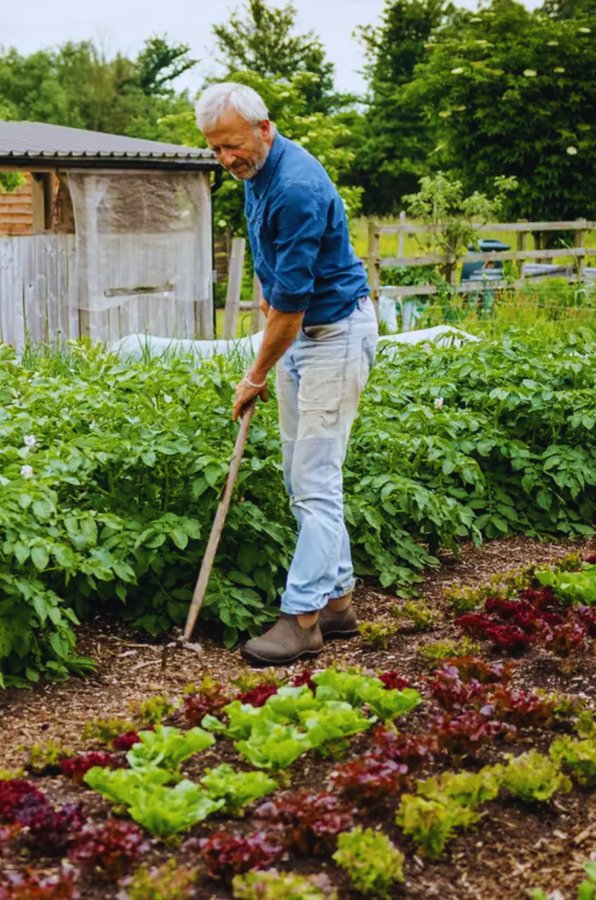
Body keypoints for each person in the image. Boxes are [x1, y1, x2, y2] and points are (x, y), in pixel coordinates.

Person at [196, 82, 379, 666]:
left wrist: (252, 376)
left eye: (232, 146)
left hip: (332, 336)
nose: (227, 160)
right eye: (216, 149)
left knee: (315, 481)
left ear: (264, 128)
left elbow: (294, 306)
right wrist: (270, 336)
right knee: (303, 477)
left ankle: (301, 619)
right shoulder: (257, 175)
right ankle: (339, 602)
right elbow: (276, 276)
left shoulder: (296, 187)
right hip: (299, 337)